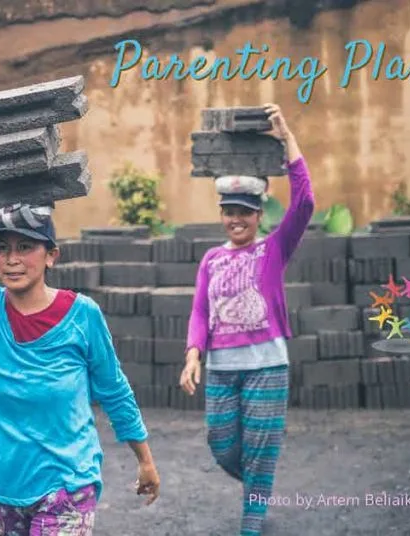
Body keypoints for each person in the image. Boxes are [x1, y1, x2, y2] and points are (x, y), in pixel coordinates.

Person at [0, 100, 161, 535]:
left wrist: (144, 459)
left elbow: (113, 389)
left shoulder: (82, 316)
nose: (11, 260)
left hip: (67, 487)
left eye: (25, 247)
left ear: (51, 255)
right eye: (1, 248)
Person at [178, 103, 315, 536]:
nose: (236, 218)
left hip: (267, 367)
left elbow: (306, 201)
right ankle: (260, 482)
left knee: (261, 447)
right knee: (222, 445)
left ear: (259, 215)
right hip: (222, 368)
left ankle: (252, 519)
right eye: (229, 210)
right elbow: (200, 310)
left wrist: (286, 138)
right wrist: (193, 354)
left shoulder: (274, 249)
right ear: (222, 214)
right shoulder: (212, 259)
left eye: (245, 211)